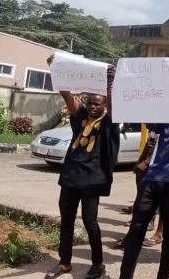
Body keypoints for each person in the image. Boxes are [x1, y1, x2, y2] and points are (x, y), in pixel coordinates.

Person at [44, 55, 118, 279]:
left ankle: (98, 264)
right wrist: (56, 68)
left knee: (90, 222)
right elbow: (66, 94)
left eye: (97, 104)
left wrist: (109, 83)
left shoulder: (109, 123)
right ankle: (65, 262)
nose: (93, 107)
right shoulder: (81, 116)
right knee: (66, 220)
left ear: (104, 105)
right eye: (90, 103)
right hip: (70, 178)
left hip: (92, 181)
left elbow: (112, 104)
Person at [119, 83, 169, 279]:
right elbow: (147, 118)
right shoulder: (163, 121)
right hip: (151, 180)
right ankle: (125, 275)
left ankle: (164, 275)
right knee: (136, 229)